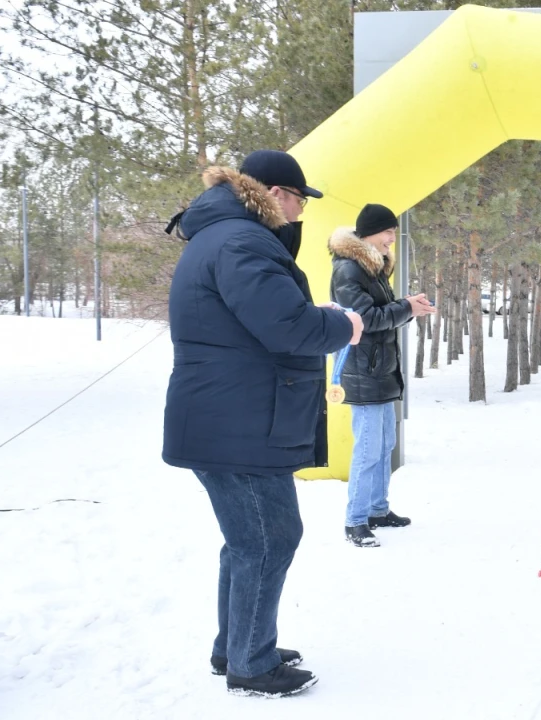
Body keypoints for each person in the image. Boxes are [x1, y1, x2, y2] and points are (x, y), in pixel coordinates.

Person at [164, 150, 364, 698]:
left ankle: (238, 644)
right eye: (299, 200)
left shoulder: (225, 235)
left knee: (248, 539)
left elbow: (260, 318)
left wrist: (313, 316)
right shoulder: (242, 241)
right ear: (275, 193)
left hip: (232, 413)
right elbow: (287, 327)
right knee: (270, 539)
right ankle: (251, 663)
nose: (300, 213)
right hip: (239, 418)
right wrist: (341, 323)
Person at [329, 204, 436, 548]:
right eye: (388, 232)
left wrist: (408, 305)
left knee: (385, 445)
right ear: (370, 233)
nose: (393, 238)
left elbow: (382, 314)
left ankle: (377, 509)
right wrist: (405, 308)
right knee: (367, 450)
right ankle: (355, 521)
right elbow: (365, 319)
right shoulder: (349, 270)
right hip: (364, 372)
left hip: (381, 371)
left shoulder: (373, 269)